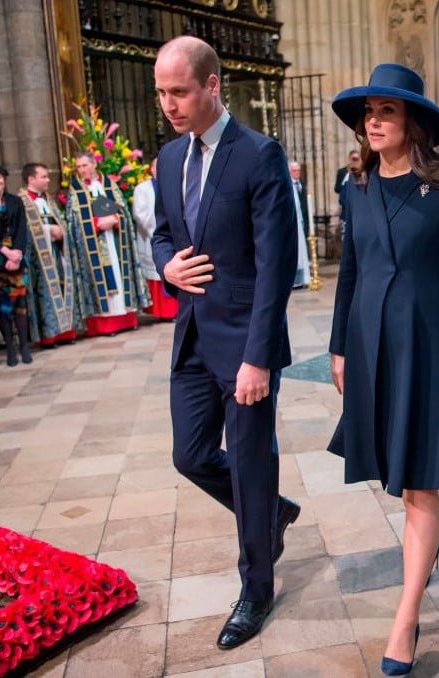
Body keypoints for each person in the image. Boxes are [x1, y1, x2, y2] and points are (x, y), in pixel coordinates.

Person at [327, 63, 439, 675]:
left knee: (420, 479)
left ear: (411, 121)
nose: (373, 121)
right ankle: (426, 551)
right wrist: (339, 346)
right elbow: (351, 273)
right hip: (370, 346)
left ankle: (405, 618)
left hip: (426, 343)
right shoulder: (354, 183)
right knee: (392, 469)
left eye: (385, 111)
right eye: (369, 112)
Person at [151, 35, 301, 651]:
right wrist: (166, 268)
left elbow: (277, 264)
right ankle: (271, 512)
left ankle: (256, 589)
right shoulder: (167, 160)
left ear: (213, 85)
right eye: (161, 92)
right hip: (191, 339)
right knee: (190, 456)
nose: (169, 104)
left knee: (248, 463)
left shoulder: (258, 155)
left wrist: (258, 356)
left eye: (179, 91)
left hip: (244, 344)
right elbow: (162, 235)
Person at [66, 151, 149, 336]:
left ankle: (126, 320)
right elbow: (73, 222)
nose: (82, 170)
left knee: (120, 278)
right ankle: (105, 325)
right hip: (94, 245)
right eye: (78, 167)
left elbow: (124, 212)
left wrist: (117, 220)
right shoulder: (75, 190)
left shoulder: (109, 185)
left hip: (116, 240)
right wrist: (97, 225)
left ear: (94, 164)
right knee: (104, 280)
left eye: (84, 165)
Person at [19, 162, 78, 347]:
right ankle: (48, 335)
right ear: (31, 179)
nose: (48, 180)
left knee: (61, 286)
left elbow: (60, 220)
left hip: (56, 251)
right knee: (44, 293)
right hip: (38, 258)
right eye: (43, 176)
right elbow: (23, 230)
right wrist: (47, 230)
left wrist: (60, 231)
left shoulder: (48, 199)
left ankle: (65, 332)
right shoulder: (22, 201)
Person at [133, 157, 178, 320]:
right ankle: (163, 312)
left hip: (176, 238)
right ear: (151, 169)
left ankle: (176, 309)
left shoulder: (175, 182)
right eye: (156, 167)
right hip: (152, 236)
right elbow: (140, 214)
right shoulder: (142, 188)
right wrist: (161, 230)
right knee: (160, 271)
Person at [0, 164, 32, 366]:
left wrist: (17, 253)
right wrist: (5, 251)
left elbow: (21, 228)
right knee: (2, 307)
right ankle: (10, 348)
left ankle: (24, 347)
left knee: (20, 304)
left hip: (16, 259)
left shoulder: (15, 201)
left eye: (0, 179)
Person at [288, 161, 309, 288]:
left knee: (302, 253)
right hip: (292, 224)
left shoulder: (301, 184)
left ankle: (302, 278)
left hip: (300, 222)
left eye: (298, 171)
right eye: (295, 171)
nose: (297, 173)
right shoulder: (288, 185)